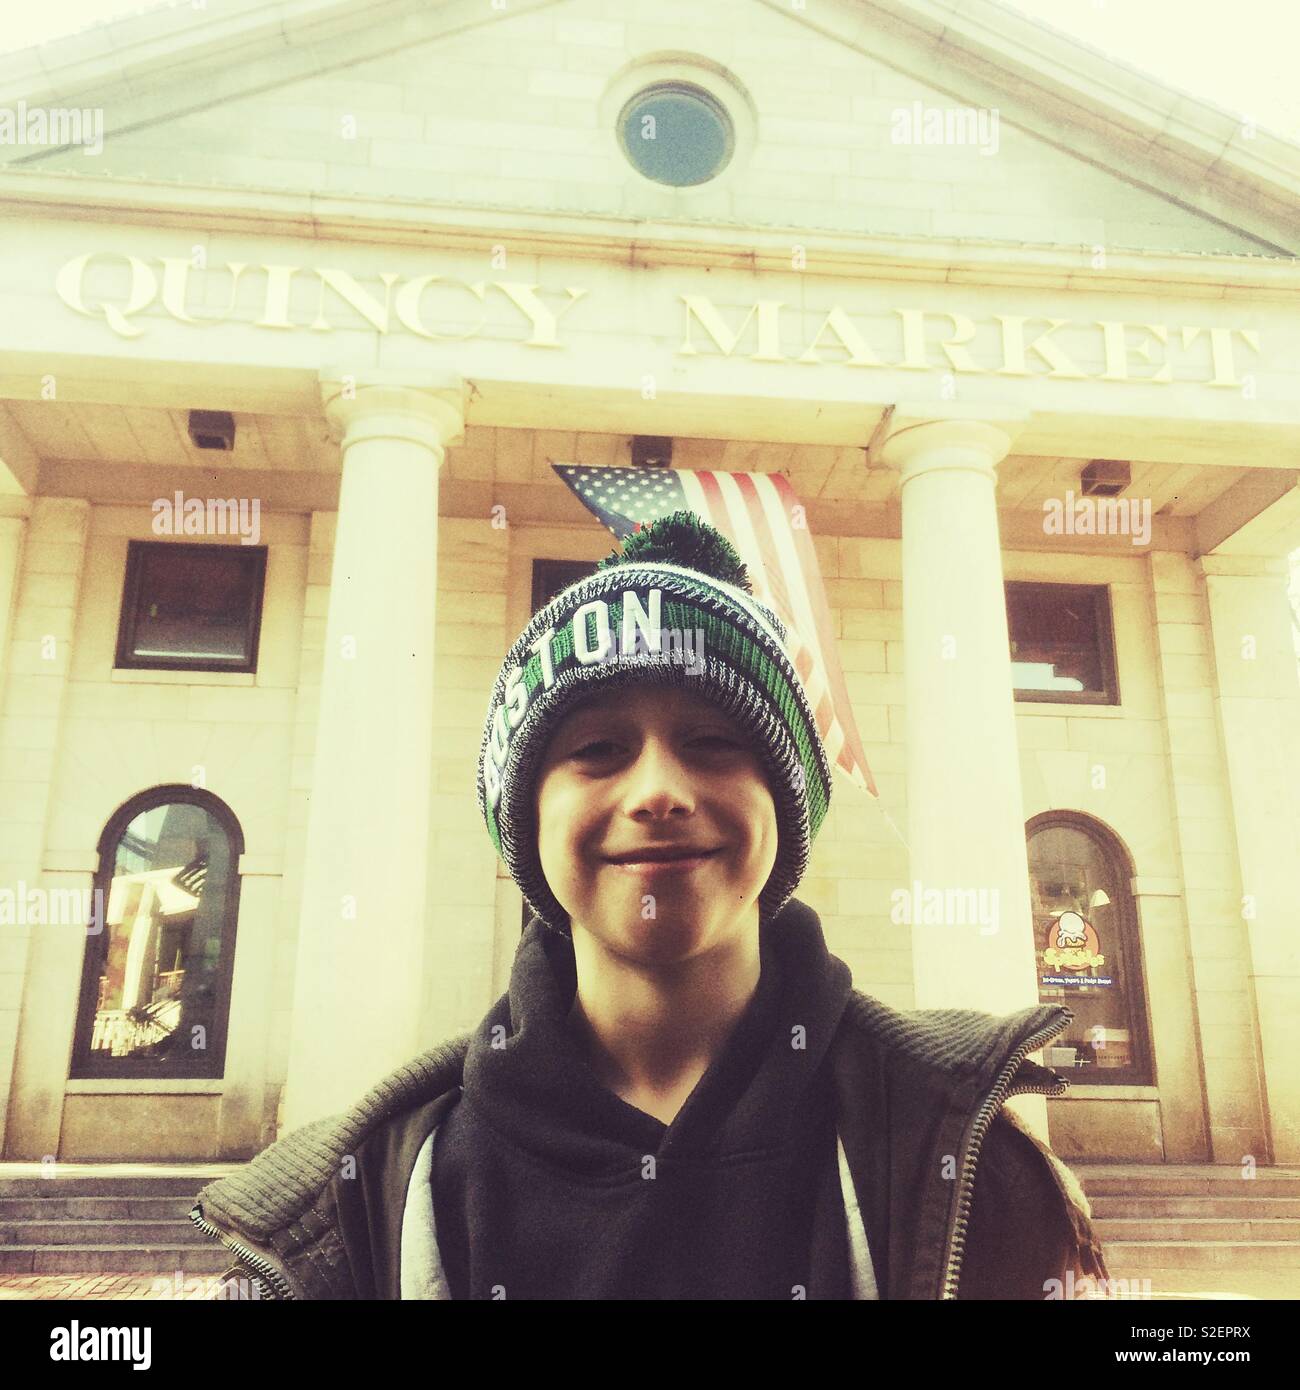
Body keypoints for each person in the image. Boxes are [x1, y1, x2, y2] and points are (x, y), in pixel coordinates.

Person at [191, 511, 1111, 1300]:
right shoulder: (362, 1198)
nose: (659, 790)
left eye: (713, 741)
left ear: (783, 807)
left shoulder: (963, 1152)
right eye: (597, 748)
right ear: (528, 823)